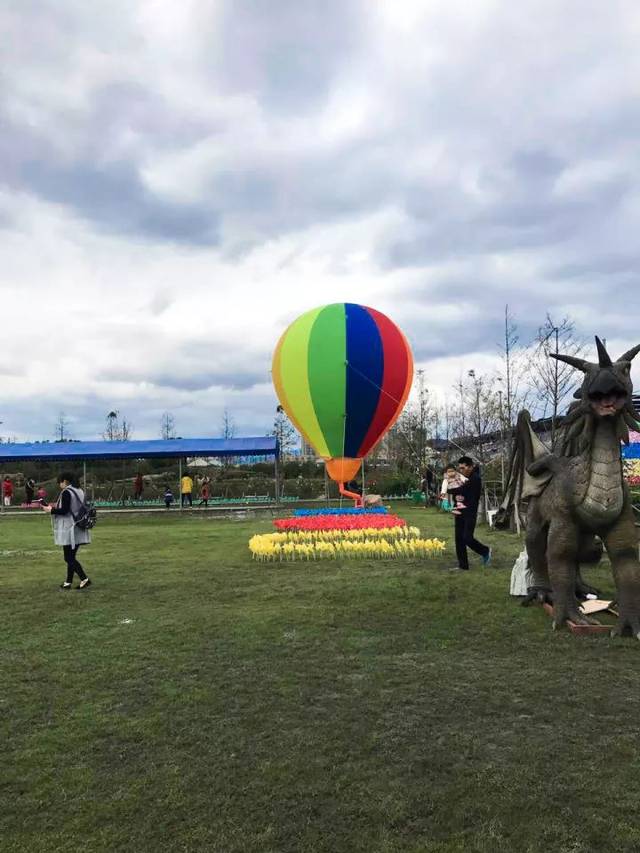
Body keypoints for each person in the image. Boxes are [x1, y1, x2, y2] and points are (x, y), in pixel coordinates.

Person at [41, 471, 92, 589]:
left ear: (64, 481)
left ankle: (84, 579)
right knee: (71, 557)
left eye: (60, 482)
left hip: (70, 527)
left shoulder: (67, 492)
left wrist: (51, 510)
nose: (59, 485)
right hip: (80, 526)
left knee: (68, 557)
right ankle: (68, 582)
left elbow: (64, 510)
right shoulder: (80, 491)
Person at [448, 456, 491, 572]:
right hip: (459, 511)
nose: (461, 471)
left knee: (467, 538)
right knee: (459, 539)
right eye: (459, 468)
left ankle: (484, 551)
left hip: (470, 512)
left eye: (463, 468)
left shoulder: (475, 479)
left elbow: (462, 491)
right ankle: (463, 565)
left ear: (470, 467)